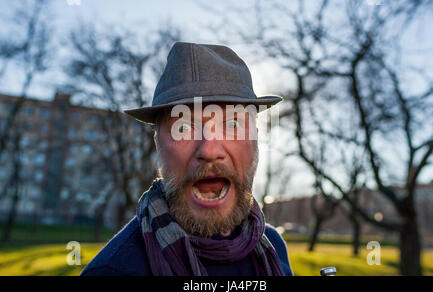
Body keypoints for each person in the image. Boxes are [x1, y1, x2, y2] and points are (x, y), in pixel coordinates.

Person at [81, 42, 293, 276]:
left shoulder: (272, 247)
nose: (210, 150)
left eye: (233, 124)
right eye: (183, 128)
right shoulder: (113, 271)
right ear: (157, 145)